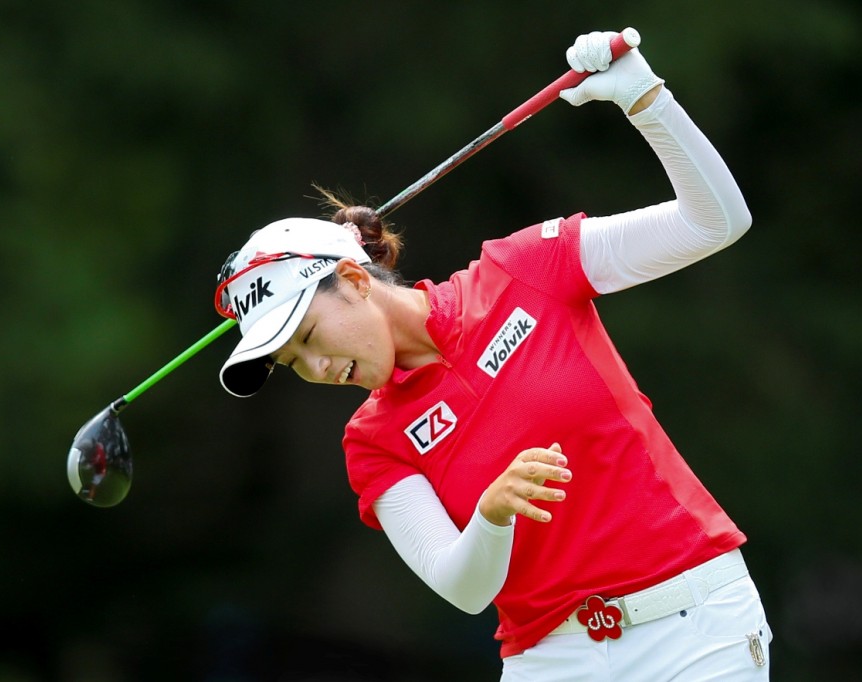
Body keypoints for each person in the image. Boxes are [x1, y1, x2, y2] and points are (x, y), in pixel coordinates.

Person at [214, 29, 771, 681]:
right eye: (292, 365)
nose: (315, 370)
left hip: (695, 628)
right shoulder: (374, 442)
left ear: (358, 280)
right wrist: (492, 512)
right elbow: (463, 587)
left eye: (308, 338)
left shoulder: (525, 270)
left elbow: (715, 223)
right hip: (553, 662)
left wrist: (645, 98)